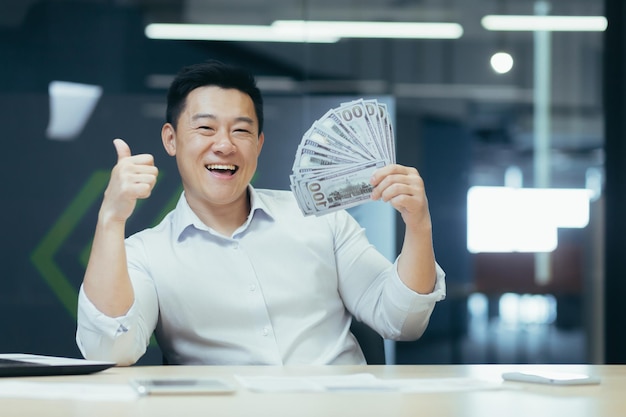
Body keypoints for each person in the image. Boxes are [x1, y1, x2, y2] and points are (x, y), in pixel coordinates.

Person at [76, 60, 446, 366]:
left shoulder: (320, 220)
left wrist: (418, 224)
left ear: (259, 144)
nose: (224, 145)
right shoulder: (147, 254)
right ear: (171, 139)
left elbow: (402, 320)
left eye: (241, 131)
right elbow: (109, 350)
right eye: (205, 128)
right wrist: (111, 218)